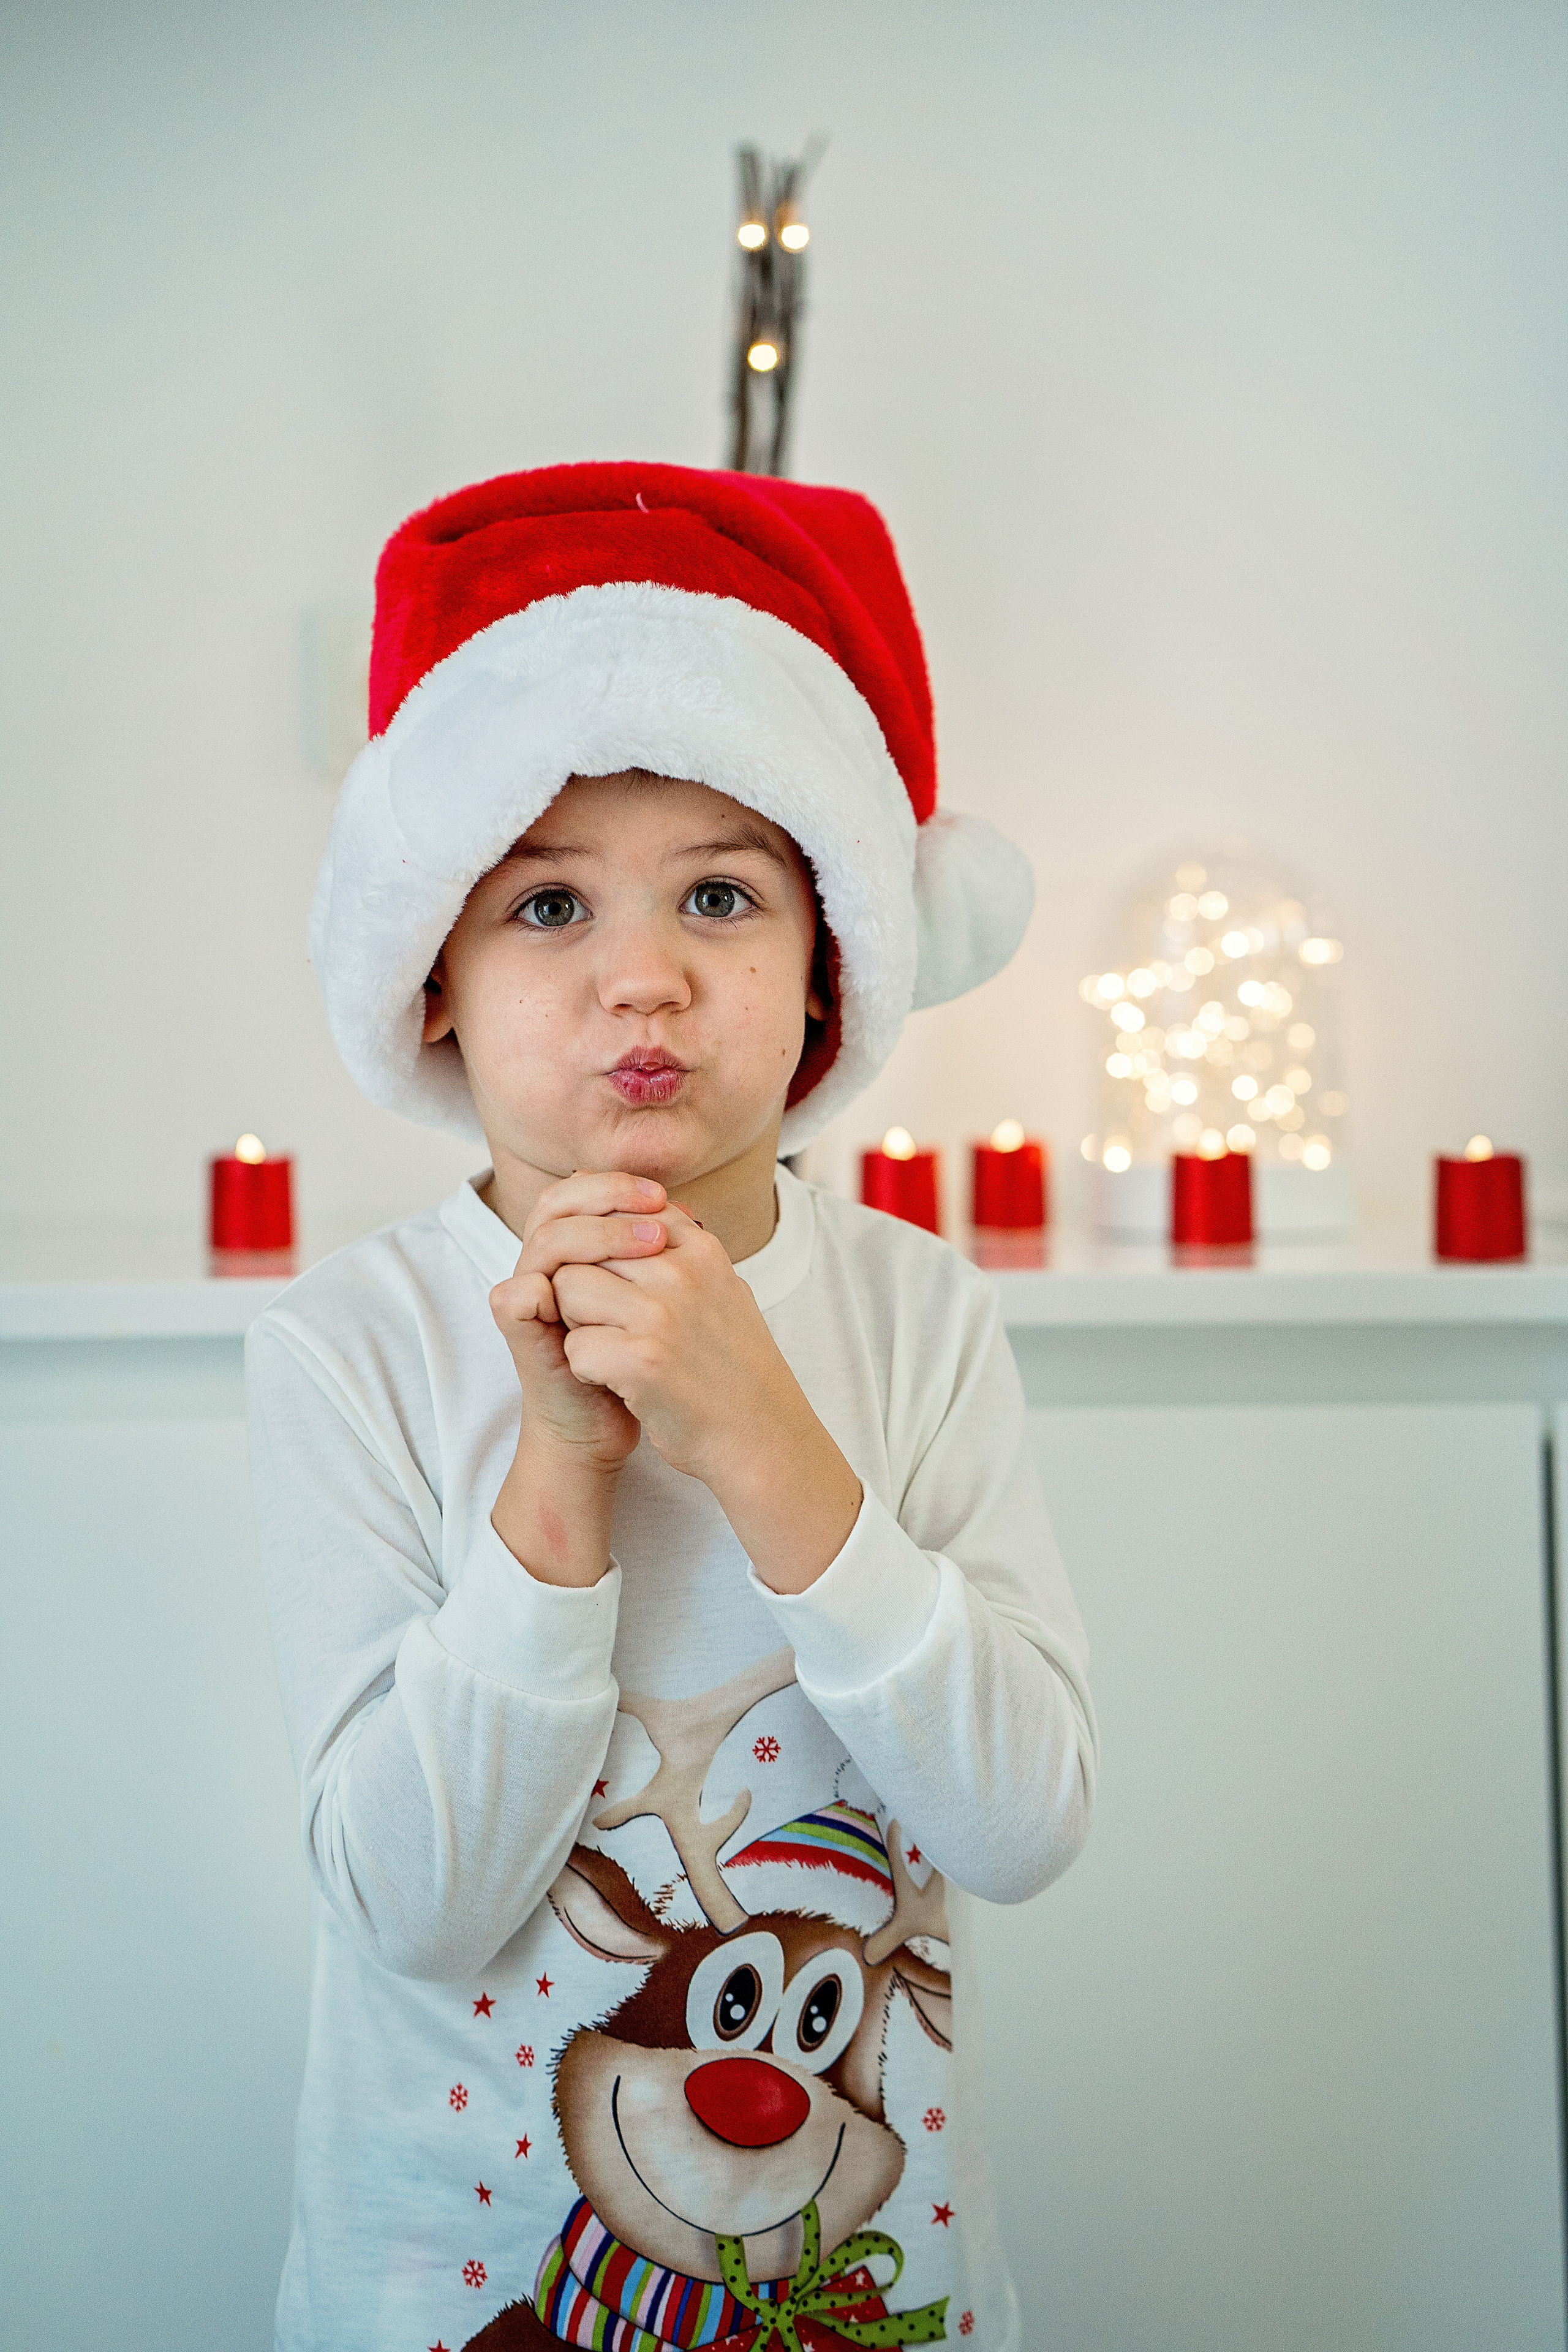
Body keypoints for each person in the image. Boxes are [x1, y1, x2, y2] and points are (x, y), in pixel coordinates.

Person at [247, 461, 1096, 2352]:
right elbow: (414, 1899)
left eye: (722, 890)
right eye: (547, 903)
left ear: (826, 975)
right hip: (449, 2300)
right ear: (436, 984)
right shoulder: (350, 1348)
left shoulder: (919, 1316)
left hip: (865, 2303)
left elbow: (1025, 1818)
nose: (644, 973)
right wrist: (562, 1467)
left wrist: (765, 1442)